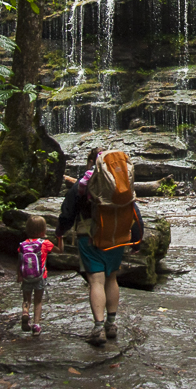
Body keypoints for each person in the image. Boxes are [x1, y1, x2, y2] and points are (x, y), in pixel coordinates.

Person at [55, 147, 135, 346]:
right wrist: (137, 236)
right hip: (116, 234)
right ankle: (111, 324)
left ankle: (98, 328)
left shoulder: (83, 183)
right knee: (112, 277)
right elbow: (133, 207)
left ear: (91, 161)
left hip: (89, 235)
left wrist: (60, 231)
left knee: (96, 281)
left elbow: (68, 210)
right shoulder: (119, 182)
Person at [17, 215, 58, 336]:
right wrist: (60, 239)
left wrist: (19, 275)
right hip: (40, 276)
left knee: (26, 299)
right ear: (43, 230)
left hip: (26, 276)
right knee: (38, 301)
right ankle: (36, 325)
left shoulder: (22, 245)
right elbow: (60, 250)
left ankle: (25, 312)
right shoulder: (45, 243)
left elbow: (19, 261)